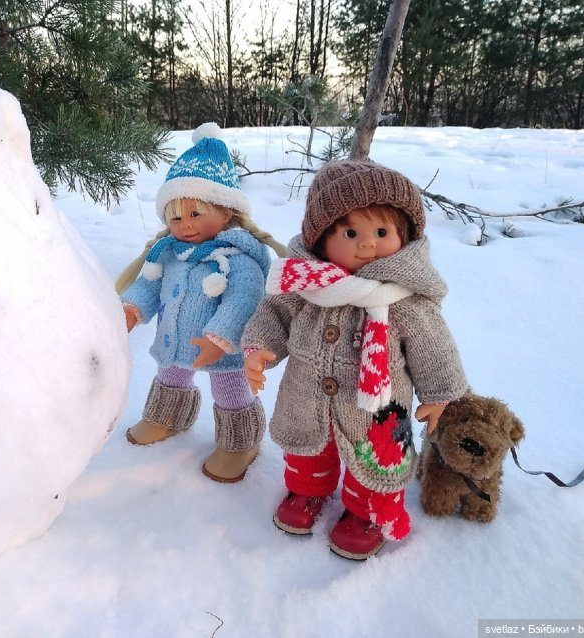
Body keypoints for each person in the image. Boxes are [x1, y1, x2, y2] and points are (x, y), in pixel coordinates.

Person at [241, 159, 468, 559]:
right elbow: (272, 315)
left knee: (375, 462)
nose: (367, 244)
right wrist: (259, 349)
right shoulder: (305, 286)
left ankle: (368, 512)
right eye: (350, 232)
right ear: (320, 241)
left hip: (378, 413)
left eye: (381, 232)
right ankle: (307, 491)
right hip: (306, 399)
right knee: (308, 449)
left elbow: (434, 347)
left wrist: (439, 394)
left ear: (404, 234)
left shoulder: (404, 299)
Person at [116, 122, 286, 483]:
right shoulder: (170, 253)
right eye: (175, 216)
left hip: (222, 348)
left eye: (196, 213)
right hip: (174, 340)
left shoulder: (237, 258)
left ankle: (240, 442)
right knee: (170, 375)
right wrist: (132, 308)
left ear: (225, 211)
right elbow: (149, 284)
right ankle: (167, 416)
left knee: (230, 390)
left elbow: (245, 301)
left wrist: (218, 337)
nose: (185, 225)